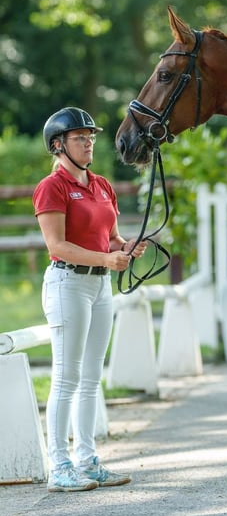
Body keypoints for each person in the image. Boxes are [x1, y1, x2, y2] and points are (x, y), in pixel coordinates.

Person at [33, 106, 147, 492]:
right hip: (68, 285)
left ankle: (86, 457)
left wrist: (127, 246)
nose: (89, 143)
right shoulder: (53, 188)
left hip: (100, 285)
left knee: (91, 377)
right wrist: (107, 258)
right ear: (58, 144)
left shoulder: (101, 185)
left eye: (90, 137)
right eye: (80, 138)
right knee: (66, 377)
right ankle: (59, 465)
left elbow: (111, 237)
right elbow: (58, 245)